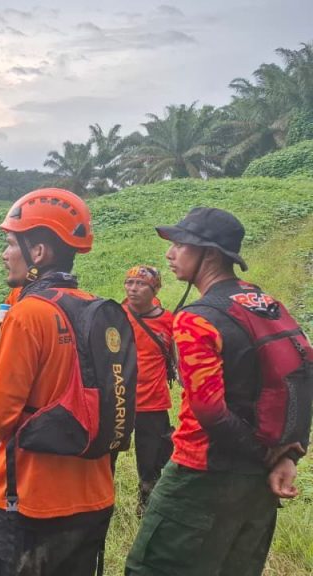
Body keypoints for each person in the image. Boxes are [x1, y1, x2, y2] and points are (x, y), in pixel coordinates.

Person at [126, 207, 308, 576]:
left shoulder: (198, 318)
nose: (169, 254)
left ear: (208, 253)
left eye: (180, 245)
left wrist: (264, 455)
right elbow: (299, 377)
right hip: (259, 484)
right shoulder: (266, 304)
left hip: (201, 474)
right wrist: (282, 455)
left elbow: (208, 410)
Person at [0, 188, 114, 576]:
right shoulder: (96, 307)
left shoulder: (28, 314)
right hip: (95, 497)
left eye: (10, 243)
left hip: (30, 503)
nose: (5, 254)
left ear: (38, 253)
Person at [120, 265, 174, 515]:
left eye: (140, 284)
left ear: (155, 289)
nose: (133, 289)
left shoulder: (169, 321)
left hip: (152, 402)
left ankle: (147, 507)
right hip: (118, 399)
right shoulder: (116, 315)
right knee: (103, 455)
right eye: (129, 283)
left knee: (152, 462)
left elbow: (179, 360)